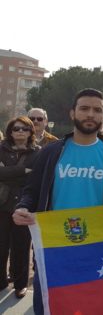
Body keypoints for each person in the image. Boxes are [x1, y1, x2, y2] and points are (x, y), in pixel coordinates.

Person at [13, 88, 103, 314]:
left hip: (97, 248)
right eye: (84, 108)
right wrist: (23, 206)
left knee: (92, 307)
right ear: (72, 113)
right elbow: (32, 189)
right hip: (53, 246)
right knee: (48, 306)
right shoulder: (51, 152)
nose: (90, 114)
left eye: (97, 110)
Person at [0, 117, 40, 299]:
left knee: (22, 247)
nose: (20, 131)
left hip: (24, 205)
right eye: (16, 128)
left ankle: (20, 284)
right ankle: (1, 282)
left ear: (31, 131)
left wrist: (6, 172)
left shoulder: (37, 152)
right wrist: (23, 171)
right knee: (1, 246)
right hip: (2, 204)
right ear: (10, 131)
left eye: (25, 128)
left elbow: (35, 178)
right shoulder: (1, 148)